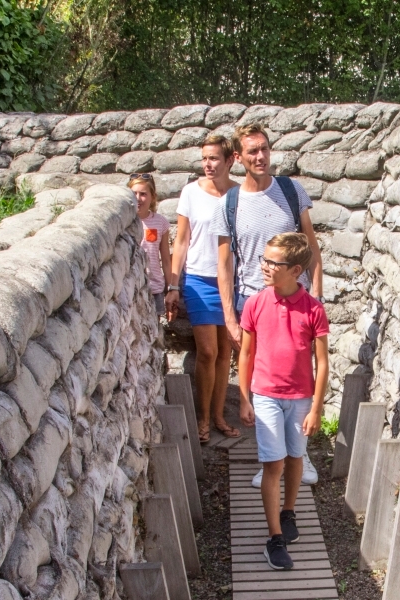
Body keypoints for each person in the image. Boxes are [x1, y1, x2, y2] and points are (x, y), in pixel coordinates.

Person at [210, 123, 324, 487]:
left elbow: (312, 249)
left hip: (298, 300)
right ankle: (270, 458)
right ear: (238, 158)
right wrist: (229, 315)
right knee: (261, 379)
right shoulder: (229, 204)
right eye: (252, 152)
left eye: (264, 149)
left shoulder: (291, 191)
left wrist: (317, 296)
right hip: (252, 302)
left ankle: (300, 456)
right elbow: (225, 264)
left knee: (298, 373)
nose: (260, 157)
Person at [236, 232, 329, 571]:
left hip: (301, 398)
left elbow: (322, 363)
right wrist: (244, 399)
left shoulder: (314, 309)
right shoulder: (255, 303)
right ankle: (274, 537)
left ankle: (289, 511)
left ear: (295, 270)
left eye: (272, 262)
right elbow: (245, 354)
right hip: (266, 396)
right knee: (272, 464)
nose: (264, 266)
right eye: (264, 259)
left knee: (295, 457)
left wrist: (317, 408)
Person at [166, 135, 239, 442]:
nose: (208, 164)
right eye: (205, 158)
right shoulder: (191, 193)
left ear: (230, 160)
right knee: (207, 352)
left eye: (214, 159)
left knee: (225, 352)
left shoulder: (240, 193)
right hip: (198, 279)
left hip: (233, 280)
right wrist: (173, 283)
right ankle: (203, 417)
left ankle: (220, 415)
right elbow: (180, 241)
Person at [130, 174, 171, 314]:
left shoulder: (160, 222)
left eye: (143, 194)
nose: (137, 198)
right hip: (131, 286)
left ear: (152, 197)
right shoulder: (123, 223)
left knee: (153, 331)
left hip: (154, 287)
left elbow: (166, 259)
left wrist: (170, 288)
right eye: (134, 193)